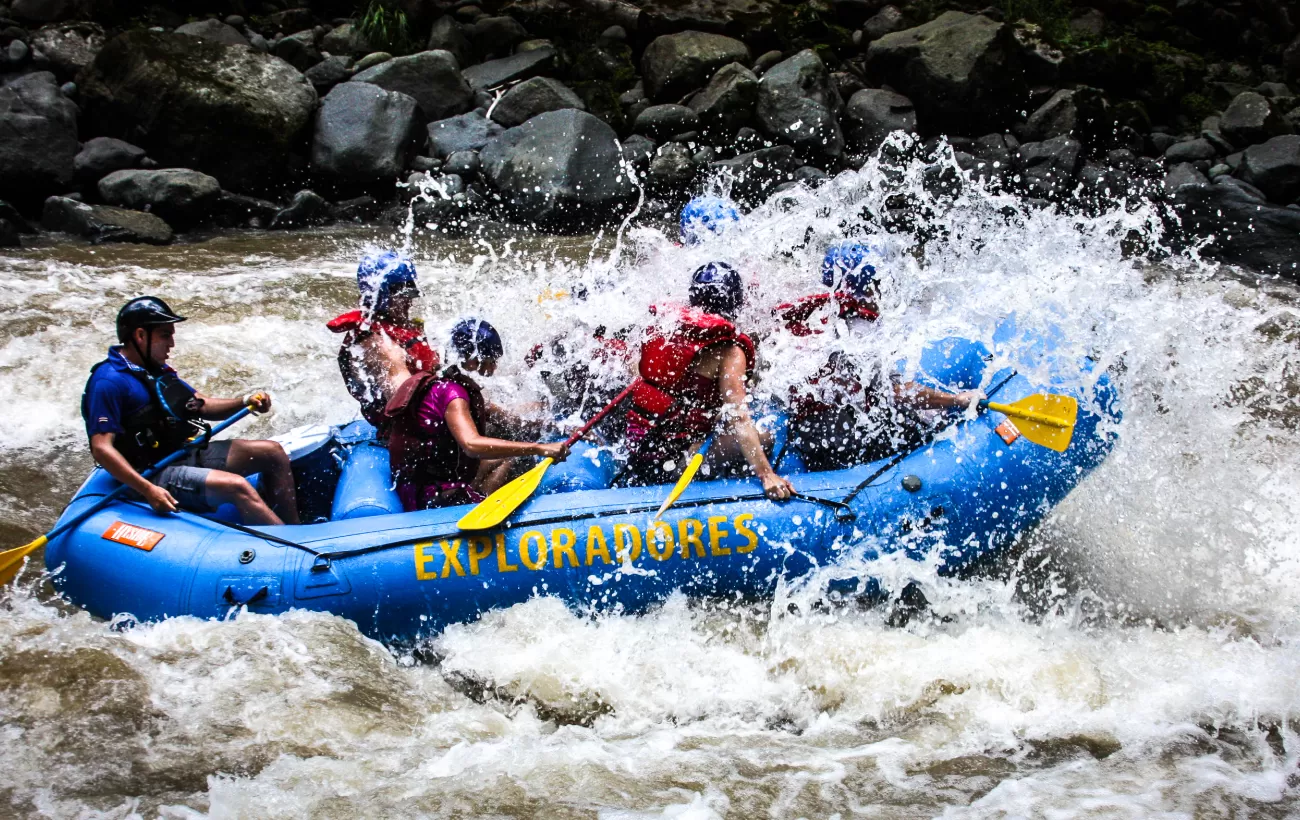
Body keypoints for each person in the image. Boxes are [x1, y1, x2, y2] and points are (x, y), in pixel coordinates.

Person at [82, 296, 299, 525]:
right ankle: (291, 549)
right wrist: (148, 490)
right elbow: (101, 448)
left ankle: (295, 530)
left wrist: (245, 401)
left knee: (272, 452)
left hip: (180, 454)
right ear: (140, 336)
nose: (172, 344)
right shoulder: (108, 381)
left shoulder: (155, 371)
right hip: (149, 473)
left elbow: (199, 404)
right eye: (165, 335)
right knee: (237, 486)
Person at [782, 242, 984, 471]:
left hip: (809, 437)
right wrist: (954, 400)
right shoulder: (858, 330)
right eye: (879, 283)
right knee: (936, 423)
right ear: (867, 287)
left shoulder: (819, 317)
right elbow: (895, 391)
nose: (884, 290)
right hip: (838, 447)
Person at [623, 262, 794, 500]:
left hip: (635, 452)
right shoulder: (730, 350)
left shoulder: (665, 328)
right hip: (673, 465)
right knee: (765, 436)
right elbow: (739, 417)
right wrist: (767, 475)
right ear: (737, 302)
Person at [382, 318, 569, 511]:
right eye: (492, 360)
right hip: (429, 494)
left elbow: (509, 419)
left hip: (431, 481)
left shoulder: (449, 381)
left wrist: (560, 427)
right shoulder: (453, 394)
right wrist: (537, 448)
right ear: (473, 359)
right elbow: (471, 445)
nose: (495, 367)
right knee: (520, 458)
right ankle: (481, 508)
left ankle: (480, 499)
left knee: (511, 460)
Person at [327, 249, 437, 435]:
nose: (409, 302)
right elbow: (401, 398)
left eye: (411, 293)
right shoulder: (376, 343)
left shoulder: (404, 328)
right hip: (403, 432)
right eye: (403, 295)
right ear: (380, 296)